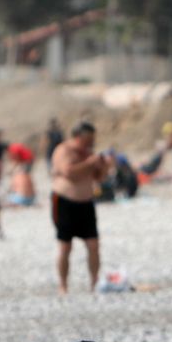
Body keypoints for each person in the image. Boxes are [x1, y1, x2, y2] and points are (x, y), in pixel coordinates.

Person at [50, 121, 112, 293]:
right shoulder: (64, 150)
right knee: (65, 246)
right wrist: (90, 162)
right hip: (64, 201)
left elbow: (99, 178)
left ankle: (94, 282)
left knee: (93, 244)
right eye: (87, 139)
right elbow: (68, 172)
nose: (90, 143)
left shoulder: (89, 153)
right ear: (78, 137)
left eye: (92, 139)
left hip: (86, 202)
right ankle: (63, 285)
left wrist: (105, 166)